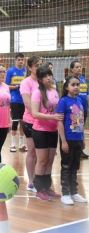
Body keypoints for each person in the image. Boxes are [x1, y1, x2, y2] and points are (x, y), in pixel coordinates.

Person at [31, 66, 62, 201]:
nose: (49, 78)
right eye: (45, 76)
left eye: (50, 75)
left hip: (53, 130)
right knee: (42, 160)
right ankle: (39, 189)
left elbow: (58, 110)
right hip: (40, 130)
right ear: (40, 79)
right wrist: (53, 117)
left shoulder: (54, 91)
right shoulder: (37, 93)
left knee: (50, 160)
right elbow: (35, 113)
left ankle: (47, 187)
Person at [57, 74, 88, 205]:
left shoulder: (79, 101)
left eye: (77, 85)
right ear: (66, 87)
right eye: (73, 85)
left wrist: (83, 139)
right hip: (68, 139)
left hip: (78, 139)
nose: (76, 87)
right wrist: (63, 140)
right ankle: (65, 193)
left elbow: (80, 121)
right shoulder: (63, 101)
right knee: (66, 166)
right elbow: (59, 122)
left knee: (75, 167)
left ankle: (74, 192)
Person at [20, 56, 42, 193]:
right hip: (30, 121)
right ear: (29, 67)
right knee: (32, 152)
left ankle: (41, 180)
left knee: (43, 154)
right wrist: (40, 113)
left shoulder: (44, 81)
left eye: (40, 64)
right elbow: (28, 103)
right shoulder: (26, 83)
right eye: (36, 65)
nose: (39, 67)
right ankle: (32, 182)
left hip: (44, 121)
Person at [5, 53, 27, 153]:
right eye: (19, 60)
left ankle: (21, 144)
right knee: (15, 121)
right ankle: (13, 144)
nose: (20, 61)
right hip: (14, 99)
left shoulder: (26, 71)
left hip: (24, 99)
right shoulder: (10, 71)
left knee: (23, 122)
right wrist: (18, 86)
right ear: (15, 60)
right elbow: (6, 86)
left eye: (22, 60)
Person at [70, 60, 89, 159]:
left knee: (81, 128)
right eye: (77, 67)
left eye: (80, 66)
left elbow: (87, 93)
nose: (79, 68)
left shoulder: (83, 79)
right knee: (76, 128)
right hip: (76, 109)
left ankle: (80, 150)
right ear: (72, 69)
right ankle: (75, 150)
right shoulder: (69, 80)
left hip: (84, 108)